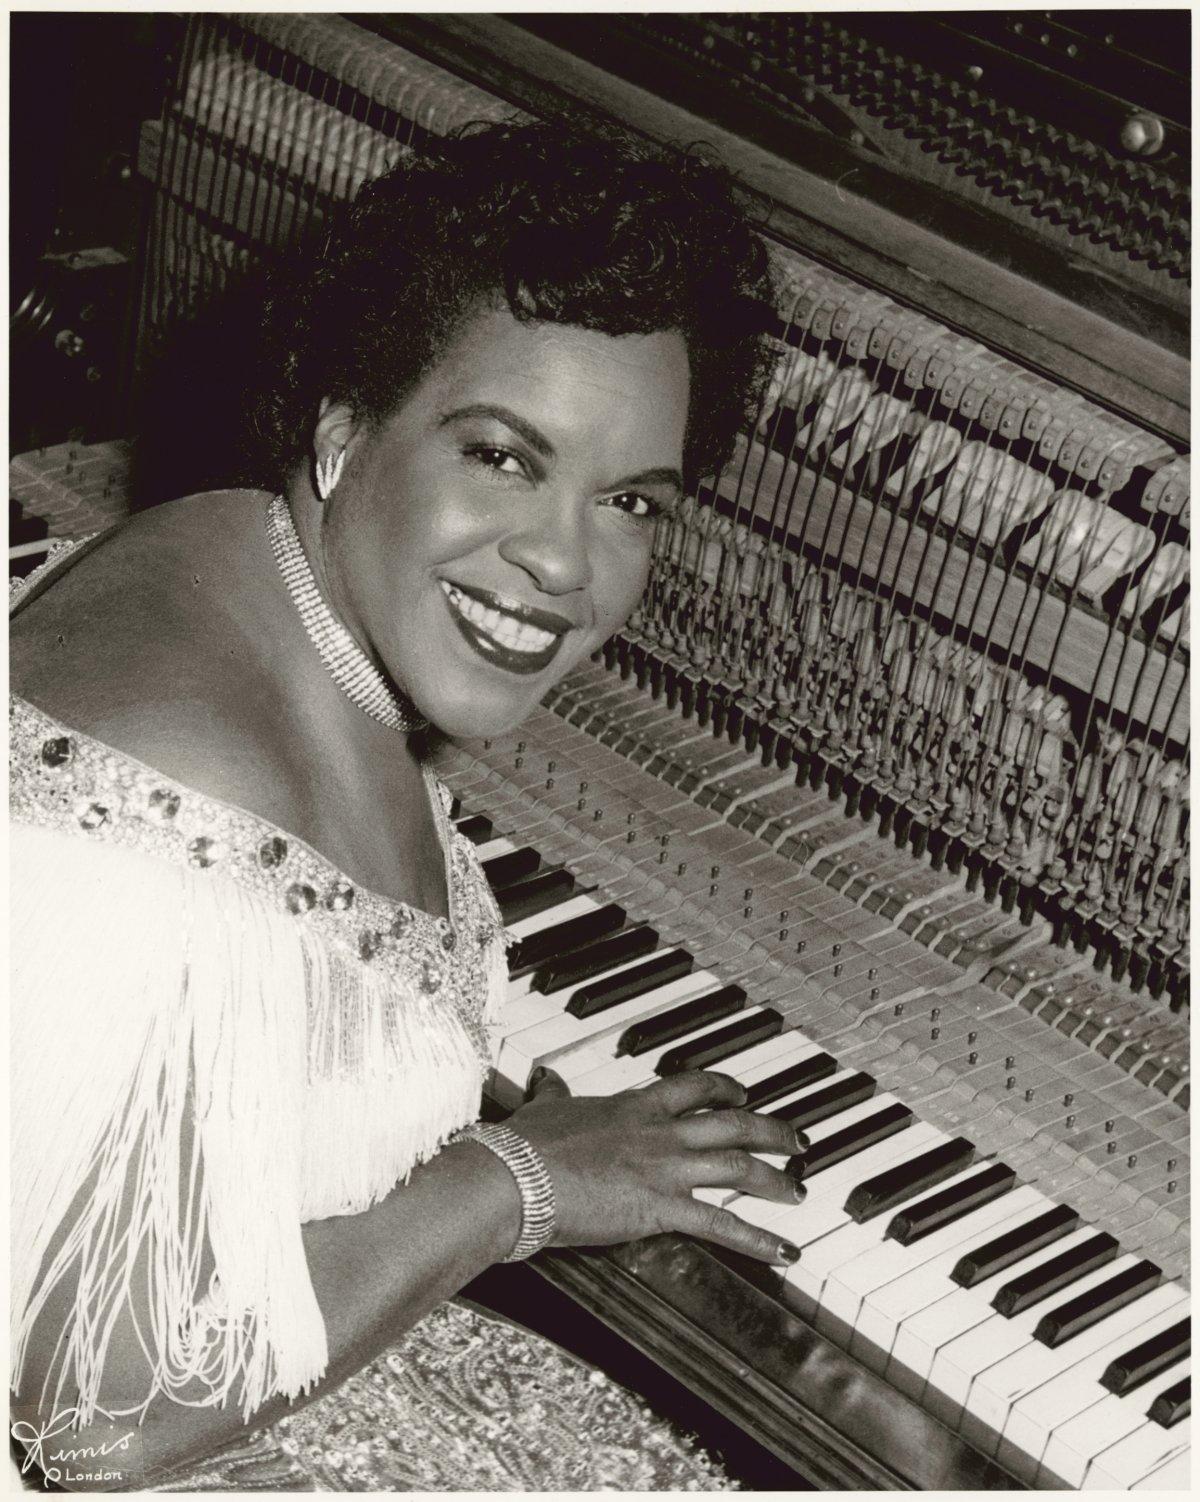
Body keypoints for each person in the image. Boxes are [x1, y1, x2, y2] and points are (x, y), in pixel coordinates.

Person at [10, 121, 806, 1491]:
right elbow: (96, 1420)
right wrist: (513, 1184)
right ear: (341, 427)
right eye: (502, 455)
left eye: (627, 499)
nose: (562, 562)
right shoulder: (167, 801)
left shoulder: (244, 564)